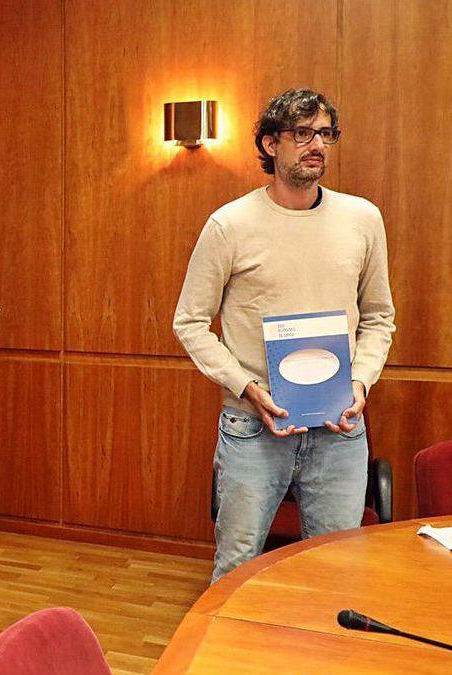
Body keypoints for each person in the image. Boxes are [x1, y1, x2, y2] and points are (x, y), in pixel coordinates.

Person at [173, 88, 395, 582]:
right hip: (253, 429)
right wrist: (247, 389)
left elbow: (380, 317)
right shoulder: (229, 225)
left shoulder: (363, 218)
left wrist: (360, 382)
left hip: (339, 429)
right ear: (271, 145)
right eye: (302, 133)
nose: (317, 144)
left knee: (337, 571)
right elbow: (189, 321)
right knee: (237, 571)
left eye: (325, 133)